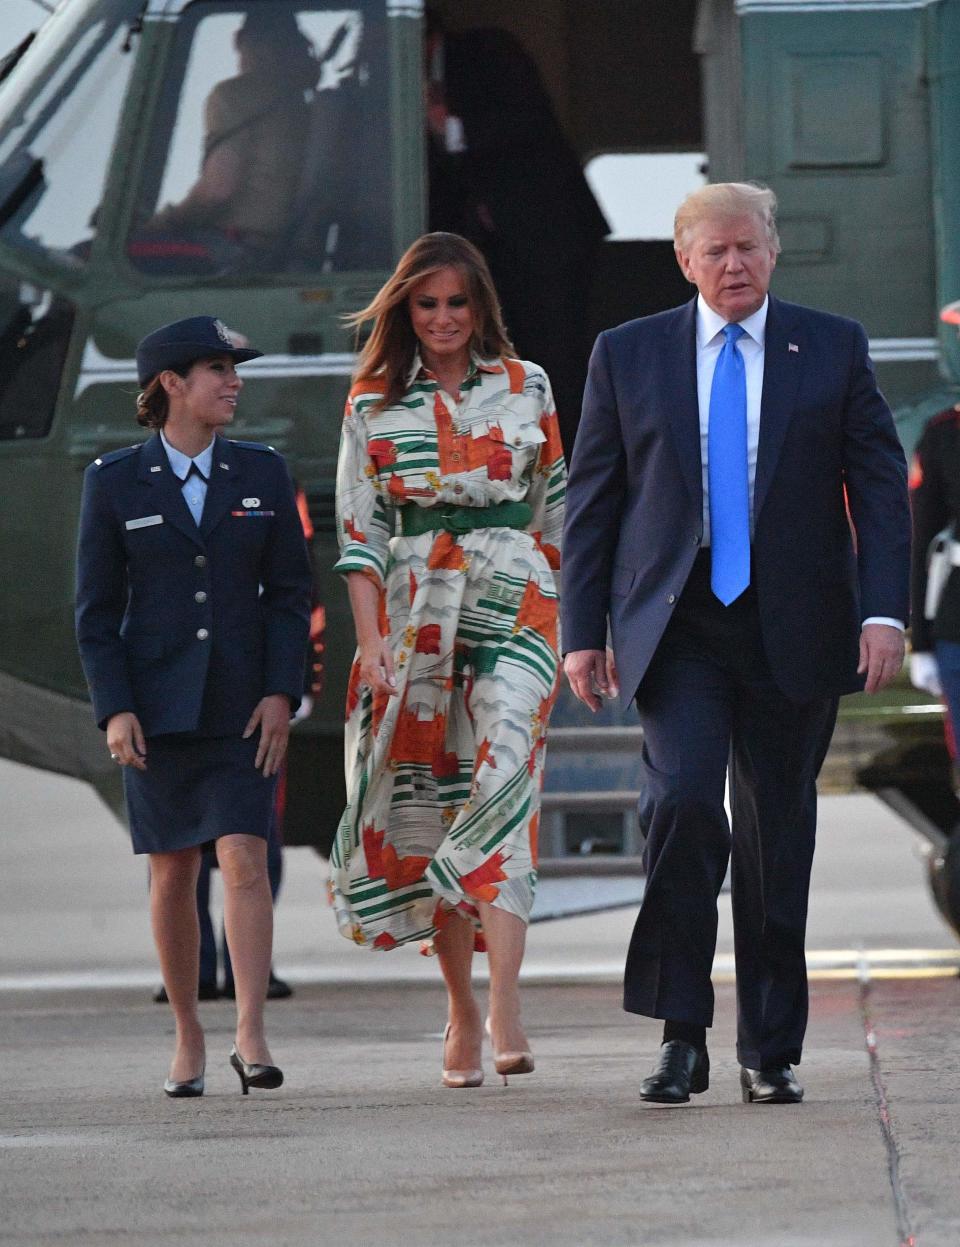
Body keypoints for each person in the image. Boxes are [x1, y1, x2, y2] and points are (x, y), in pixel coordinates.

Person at [562, 183, 910, 1105]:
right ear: (684, 260)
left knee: (776, 830)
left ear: (774, 249)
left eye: (749, 247)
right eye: (715, 251)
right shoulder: (627, 354)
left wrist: (884, 611)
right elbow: (591, 504)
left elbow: (878, 487)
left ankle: (770, 1046)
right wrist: (581, 632)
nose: (734, 264)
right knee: (681, 804)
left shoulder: (831, 345)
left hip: (795, 621)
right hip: (678, 626)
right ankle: (682, 1033)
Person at [329, 231, 566, 1087]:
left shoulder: (526, 383)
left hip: (517, 600)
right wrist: (371, 647)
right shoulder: (370, 404)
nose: (441, 319)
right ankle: (462, 1008)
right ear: (405, 310)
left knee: (503, 780)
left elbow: (556, 507)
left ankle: (505, 1002)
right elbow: (360, 536)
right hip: (412, 616)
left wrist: (567, 612)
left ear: (480, 307)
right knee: (430, 798)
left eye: (456, 303)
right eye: (426, 304)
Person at [75, 315, 312, 1097]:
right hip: (156, 708)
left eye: (233, 367)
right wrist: (115, 709)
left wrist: (284, 692)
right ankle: (188, 1034)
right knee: (172, 871)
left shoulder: (263, 472)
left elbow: (288, 594)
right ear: (170, 384)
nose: (233, 380)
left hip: (244, 707)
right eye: (217, 368)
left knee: (244, 856)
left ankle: (251, 1031)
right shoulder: (112, 481)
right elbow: (96, 612)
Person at [425, 15, 608, 453]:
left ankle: (573, 458)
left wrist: (445, 123)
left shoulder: (487, 50)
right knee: (510, 354)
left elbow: (524, 121)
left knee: (556, 355)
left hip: (547, 235)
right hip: (494, 250)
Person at [140, 13, 316, 268]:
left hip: (234, 249)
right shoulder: (299, 102)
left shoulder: (234, 95)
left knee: (87, 256)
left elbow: (217, 191)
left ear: (247, 42)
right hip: (275, 248)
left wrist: (161, 223)